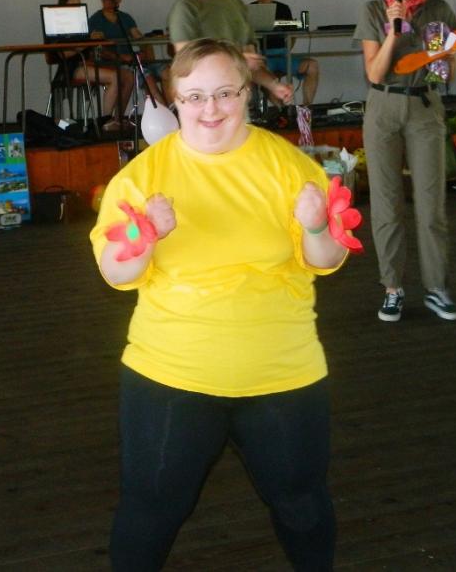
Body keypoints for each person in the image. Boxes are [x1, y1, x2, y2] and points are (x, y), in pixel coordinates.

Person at [90, 38, 350, 570]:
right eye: (195, 96)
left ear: (247, 93)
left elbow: (325, 261)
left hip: (282, 373)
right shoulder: (141, 178)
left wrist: (315, 226)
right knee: (150, 512)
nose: (211, 109)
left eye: (225, 93)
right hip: (171, 375)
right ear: (175, 101)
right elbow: (115, 273)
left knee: (302, 507)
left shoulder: (290, 167)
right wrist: (145, 235)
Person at [354, 0, 456, 322]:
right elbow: (374, 73)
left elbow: (446, 75)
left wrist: (445, 57)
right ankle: (392, 288)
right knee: (386, 203)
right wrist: (393, 31)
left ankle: (436, 288)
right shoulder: (373, 10)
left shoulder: (439, 10)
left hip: (424, 106)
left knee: (431, 203)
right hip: (383, 106)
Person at [167, 0, 292, 106]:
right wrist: (236, 59)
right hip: (204, 109)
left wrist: (274, 85)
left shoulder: (237, 5)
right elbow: (186, 63)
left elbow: (250, 62)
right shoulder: (186, 7)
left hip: (236, 106)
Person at [53, 0, 134, 133]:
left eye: (78, 5)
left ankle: (117, 118)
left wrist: (95, 38)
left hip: (87, 63)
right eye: (73, 6)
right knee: (114, 77)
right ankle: (105, 121)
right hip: (71, 67)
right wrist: (89, 42)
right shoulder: (58, 27)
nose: (76, 9)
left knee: (128, 76)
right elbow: (64, 54)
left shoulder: (82, 25)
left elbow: (88, 47)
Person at [88, 0, 166, 106]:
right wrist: (121, 57)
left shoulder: (125, 18)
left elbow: (138, 37)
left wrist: (145, 52)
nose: (110, 3)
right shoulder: (95, 20)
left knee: (164, 71)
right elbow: (98, 50)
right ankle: (165, 113)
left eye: (115, 0)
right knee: (148, 80)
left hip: (130, 61)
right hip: (112, 64)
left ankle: (169, 112)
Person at [251, 0, 320, 105]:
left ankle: (306, 109)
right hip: (263, 57)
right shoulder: (250, 10)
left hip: (283, 55)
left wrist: (287, 50)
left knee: (312, 65)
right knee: (265, 78)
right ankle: (281, 110)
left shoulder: (283, 8)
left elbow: (292, 34)